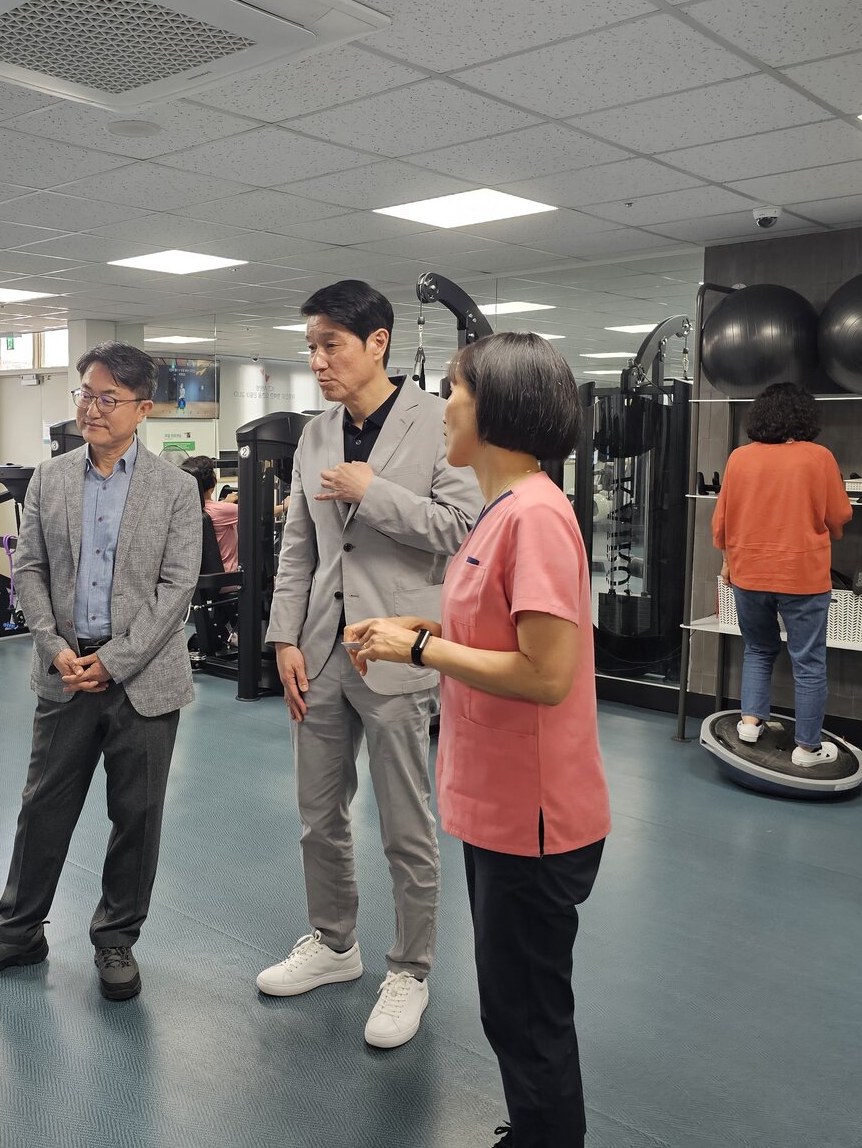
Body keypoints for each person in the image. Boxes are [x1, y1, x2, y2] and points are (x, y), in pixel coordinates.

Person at [347, 331, 608, 1148]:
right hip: (497, 806)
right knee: (508, 1001)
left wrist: (420, 651)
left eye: (455, 391)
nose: (443, 408)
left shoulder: (536, 517)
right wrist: (420, 627)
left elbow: (546, 674)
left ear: (496, 407)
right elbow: (495, 629)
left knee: (527, 1011)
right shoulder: (500, 512)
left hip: (535, 816)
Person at [257, 279, 481, 1049]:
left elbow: (462, 528)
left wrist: (375, 491)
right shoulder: (315, 435)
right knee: (318, 815)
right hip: (321, 650)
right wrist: (284, 638)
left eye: (332, 345)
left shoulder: (437, 421)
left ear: (377, 342)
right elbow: (299, 547)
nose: (318, 360)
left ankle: (410, 970)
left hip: (395, 651)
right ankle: (333, 943)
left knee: (405, 825)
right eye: (311, 347)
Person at [0, 342, 202, 1001]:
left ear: (143, 409)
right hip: (64, 671)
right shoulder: (51, 478)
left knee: (136, 814)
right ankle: (17, 932)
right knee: (43, 807)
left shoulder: (176, 489)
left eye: (108, 398)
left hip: (143, 681)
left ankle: (116, 939)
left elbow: (177, 589)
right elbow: (28, 568)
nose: (92, 408)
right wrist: (52, 643)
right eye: (86, 394)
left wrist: (113, 661)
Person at [712, 382, 852, 765]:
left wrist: (727, 561)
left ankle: (749, 723)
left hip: (748, 574)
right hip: (801, 576)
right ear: (805, 417)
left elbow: (721, 522)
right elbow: (839, 516)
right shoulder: (818, 457)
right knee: (808, 662)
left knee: (758, 649)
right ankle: (807, 749)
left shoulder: (739, 458)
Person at [184, 454, 240, 573]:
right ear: (212, 485)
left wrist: (224, 503)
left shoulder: (186, 509)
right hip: (229, 578)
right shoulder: (222, 510)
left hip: (200, 578)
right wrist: (282, 505)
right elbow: (264, 512)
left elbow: (213, 510)